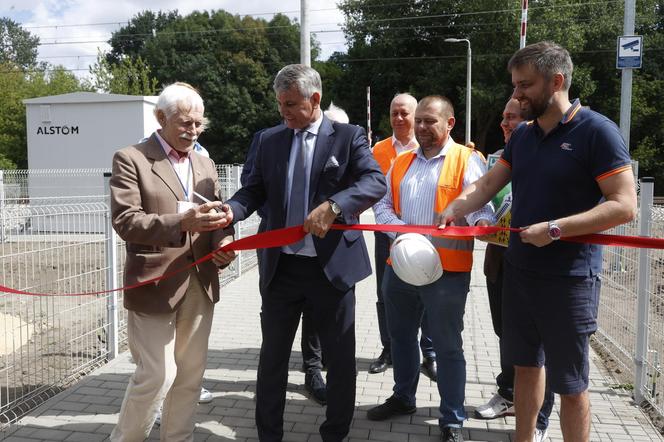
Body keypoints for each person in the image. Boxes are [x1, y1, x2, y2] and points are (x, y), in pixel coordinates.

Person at [439, 42, 637, 442]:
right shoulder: (524, 136)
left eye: (525, 85)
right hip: (520, 275)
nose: (516, 95)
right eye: (515, 85)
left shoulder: (597, 132)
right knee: (526, 370)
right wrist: (455, 209)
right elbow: (489, 183)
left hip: (569, 281)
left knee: (571, 385)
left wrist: (555, 229)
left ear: (557, 81)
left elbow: (624, 205)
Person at [220, 64, 386, 441]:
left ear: (315, 99)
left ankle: (335, 432)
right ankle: (269, 434)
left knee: (340, 359)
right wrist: (231, 210)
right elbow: (252, 191)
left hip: (332, 270)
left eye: (291, 104)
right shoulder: (268, 140)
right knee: (273, 359)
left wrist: (336, 204)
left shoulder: (348, 137)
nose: (284, 112)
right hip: (282, 268)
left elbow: (374, 181)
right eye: (280, 105)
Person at [109, 83, 236, 441]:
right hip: (154, 282)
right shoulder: (130, 158)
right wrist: (182, 223)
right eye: (184, 123)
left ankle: (178, 437)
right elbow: (126, 221)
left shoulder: (205, 161)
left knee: (191, 374)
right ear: (160, 117)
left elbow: (219, 217)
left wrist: (224, 242)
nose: (192, 131)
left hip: (200, 281)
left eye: (198, 124)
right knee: (157, 375)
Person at [368, 95, 493, 442]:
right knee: (401, 338)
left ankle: (451, 419)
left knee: (448, 347)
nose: (420, 127)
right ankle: (403, 397)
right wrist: (400, 231)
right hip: (401, 268)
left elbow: (481, 205)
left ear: (449, 123)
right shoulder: (402, 161)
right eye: (418, 120)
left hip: (447, 274)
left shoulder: (467, 161)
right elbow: (382, 203)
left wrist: (484, 226)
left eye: (429, 121)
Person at [475, 98, 554, 442]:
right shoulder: (498, 158)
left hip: (537, 264)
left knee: (537, 348)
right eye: (504, 118)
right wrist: (478, 218)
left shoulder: (544, 156)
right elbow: (486, 199)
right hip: (500, 261)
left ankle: (539, 418)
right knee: (507, 336)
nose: (505, 124)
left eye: (513, 118)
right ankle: (508, 394)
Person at [241, 124, 327, 406]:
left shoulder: (335, 138)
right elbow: (252, 185)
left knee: (315, 316)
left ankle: (312, 371)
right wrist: (282, 215)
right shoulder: (266, 138)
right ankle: (271, 384)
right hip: (277, 250)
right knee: (275, 324)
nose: (284, 111)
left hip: (319, 254)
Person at [369, 93, 437, 380]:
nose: (399, 118)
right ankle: (390, 350)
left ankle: (429, 353)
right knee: (386, 295)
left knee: (429, 292)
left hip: (428, 239)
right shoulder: (379, 150)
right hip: (388, 234)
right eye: (394, 113)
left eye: (404, 113)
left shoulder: (430, 146)